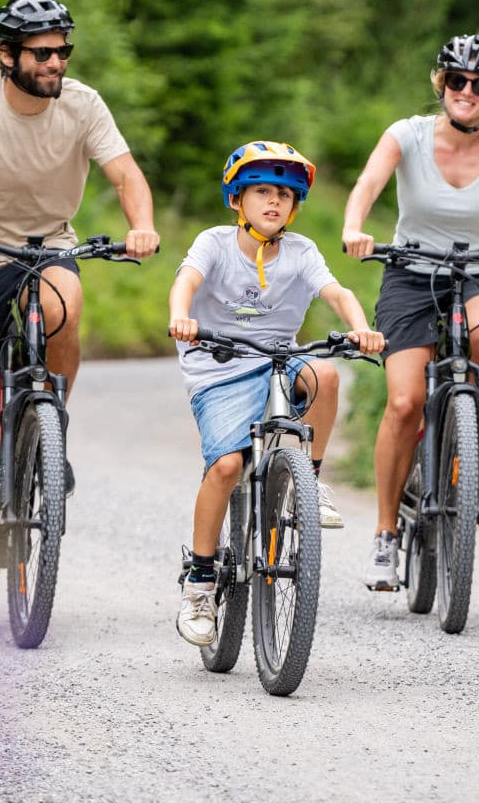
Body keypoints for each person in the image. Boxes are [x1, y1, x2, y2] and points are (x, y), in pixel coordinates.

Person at [0, 0, 160, 603]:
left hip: (46, 248)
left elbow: (126, 175)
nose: (56, 63)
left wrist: (141, 225)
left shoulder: (84, 104)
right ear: (6, 55)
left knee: (62, 305)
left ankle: (50, 432)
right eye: (42, 53)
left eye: (63, 51)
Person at [341, 34, 479, 591]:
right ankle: (384, 536)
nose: (468, 92)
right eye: (458, 81)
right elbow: (369, 182)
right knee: (403, 402)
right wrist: (354, 227)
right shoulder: (408, 135)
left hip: (477, 270)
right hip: (409, 272)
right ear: (441, 84)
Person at [168, 141, 383, 646]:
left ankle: (308, 479)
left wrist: (359, 326)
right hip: (217, 367)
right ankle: (200, 581)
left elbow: (338, 293)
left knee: (327, 376)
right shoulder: (215, 243)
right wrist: (182, 315)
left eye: (285, 196)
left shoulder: (302, 251)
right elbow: (187, 280)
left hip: (277, 361)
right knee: (225, 467)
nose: (274, 202)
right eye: (262, 191)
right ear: (237, 201)